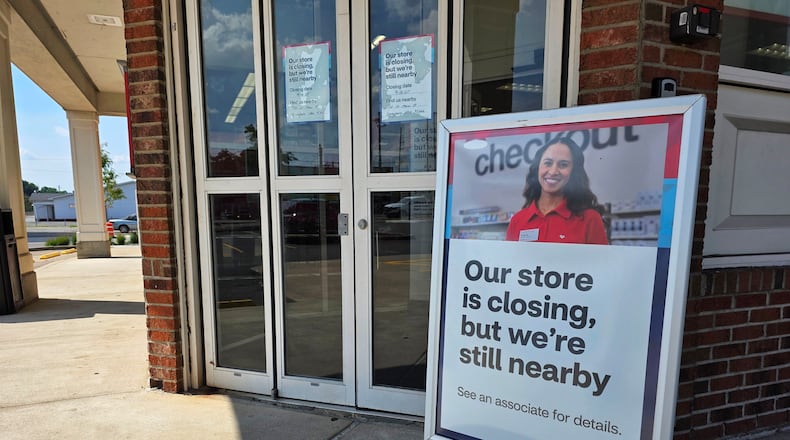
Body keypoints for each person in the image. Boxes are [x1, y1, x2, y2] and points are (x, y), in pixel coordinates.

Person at [505, 138, 608, 244]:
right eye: (548, 163)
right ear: (537, 168)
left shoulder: (589, 219)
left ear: (573, 172)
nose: (553, 171)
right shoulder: (517, 220)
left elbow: (601, 260)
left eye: (563, 165)